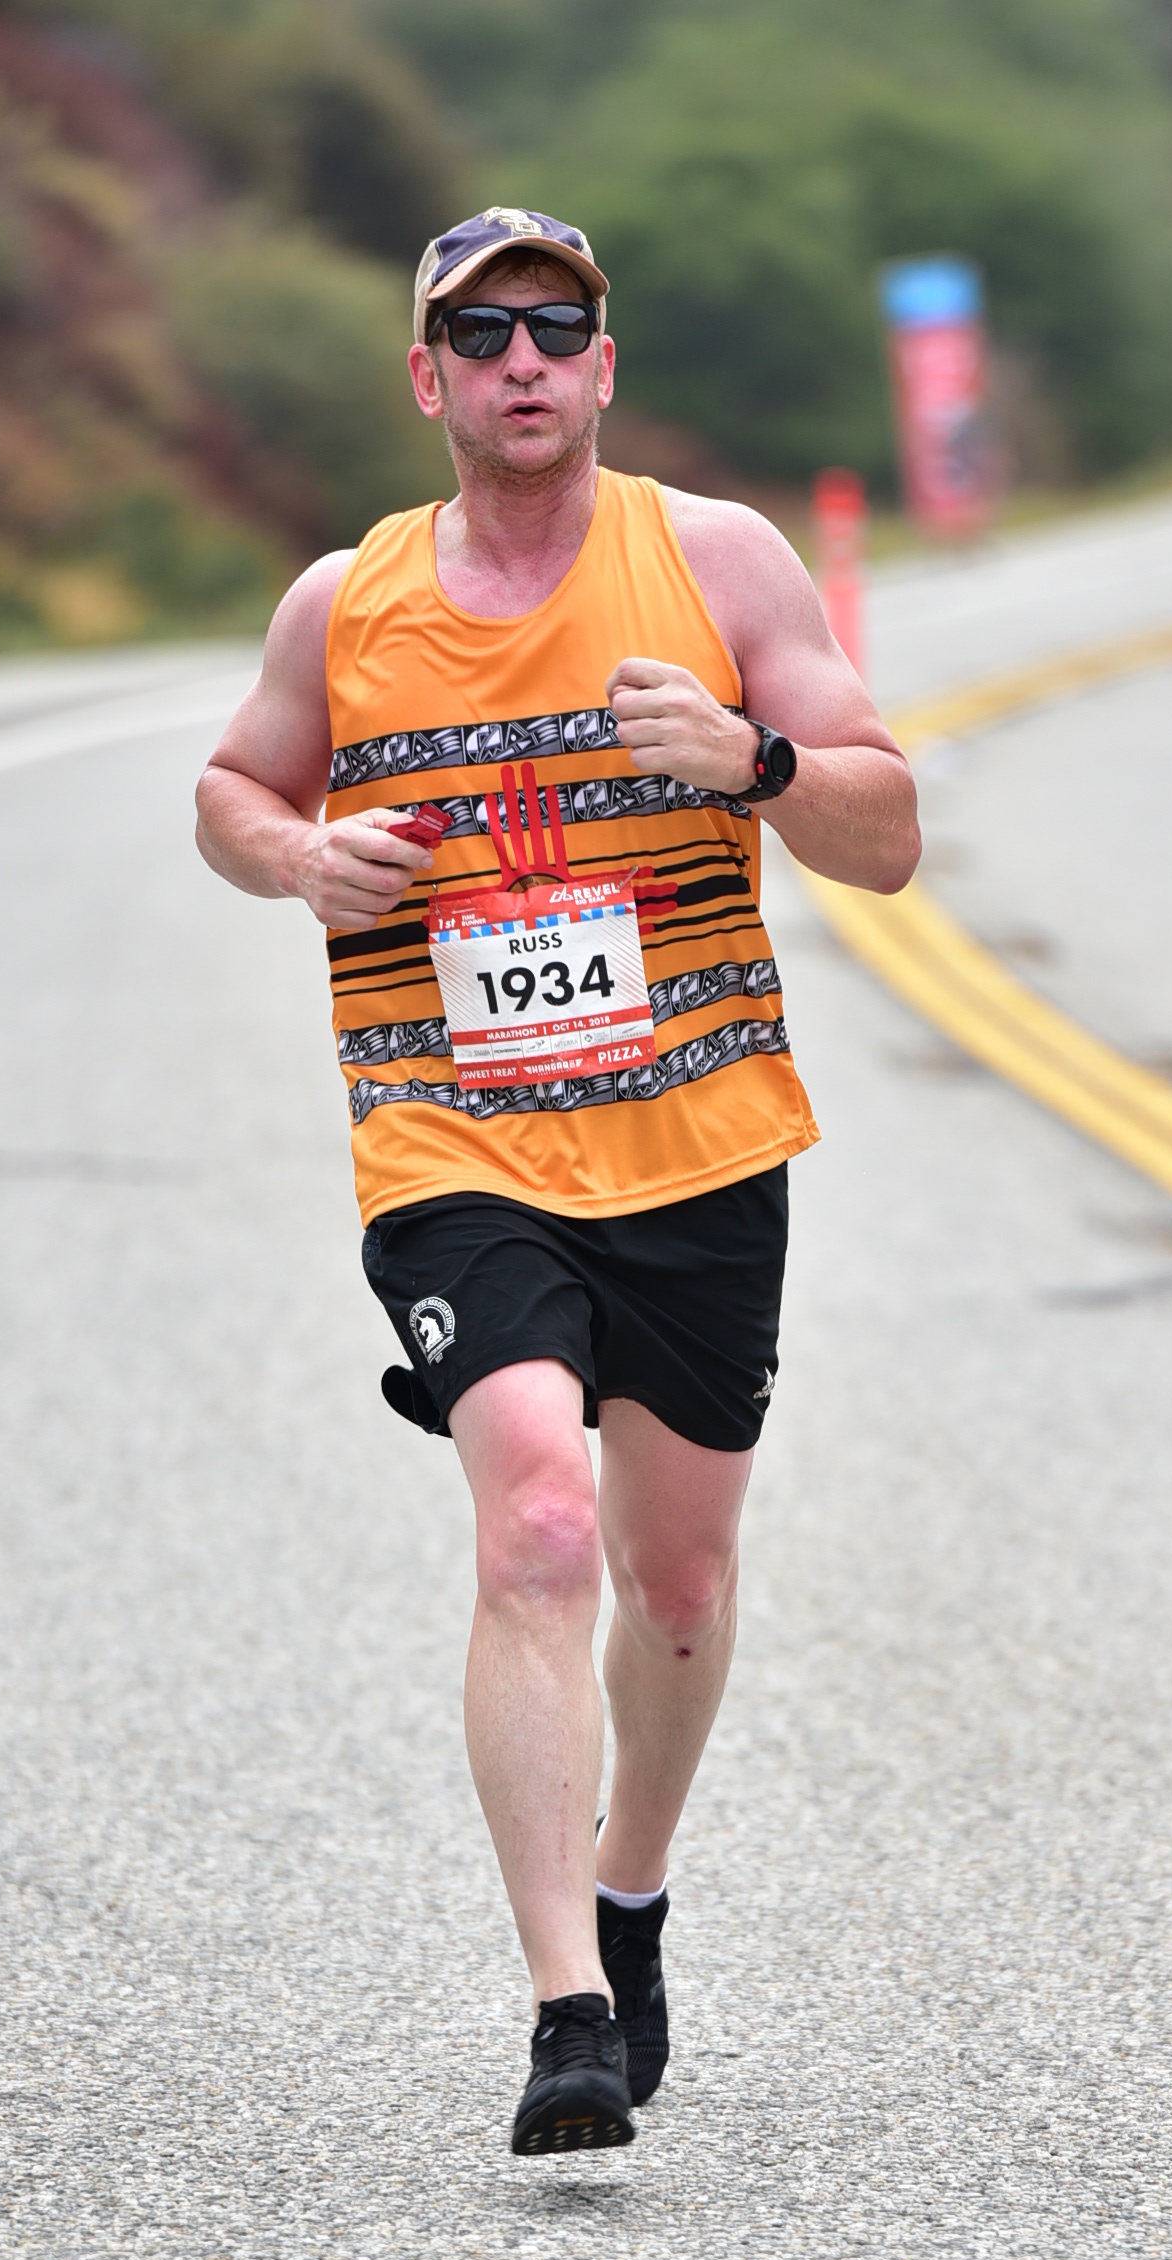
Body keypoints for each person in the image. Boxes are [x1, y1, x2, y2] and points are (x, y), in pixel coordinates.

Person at [195, 207, 919, 2154]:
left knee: (673, 1585)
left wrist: (753, 764)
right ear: (425, 378)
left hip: (694, 1132)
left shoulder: (716, 562)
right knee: (532, 1520)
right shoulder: (345, 603)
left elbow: (885, 834)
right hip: (453, 1136)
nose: (519, 359)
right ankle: (563, 2007)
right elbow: (233, 790)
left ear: (601, 366)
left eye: (554, 326)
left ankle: (631, 1887)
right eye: (479, 333)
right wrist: (298, 860)